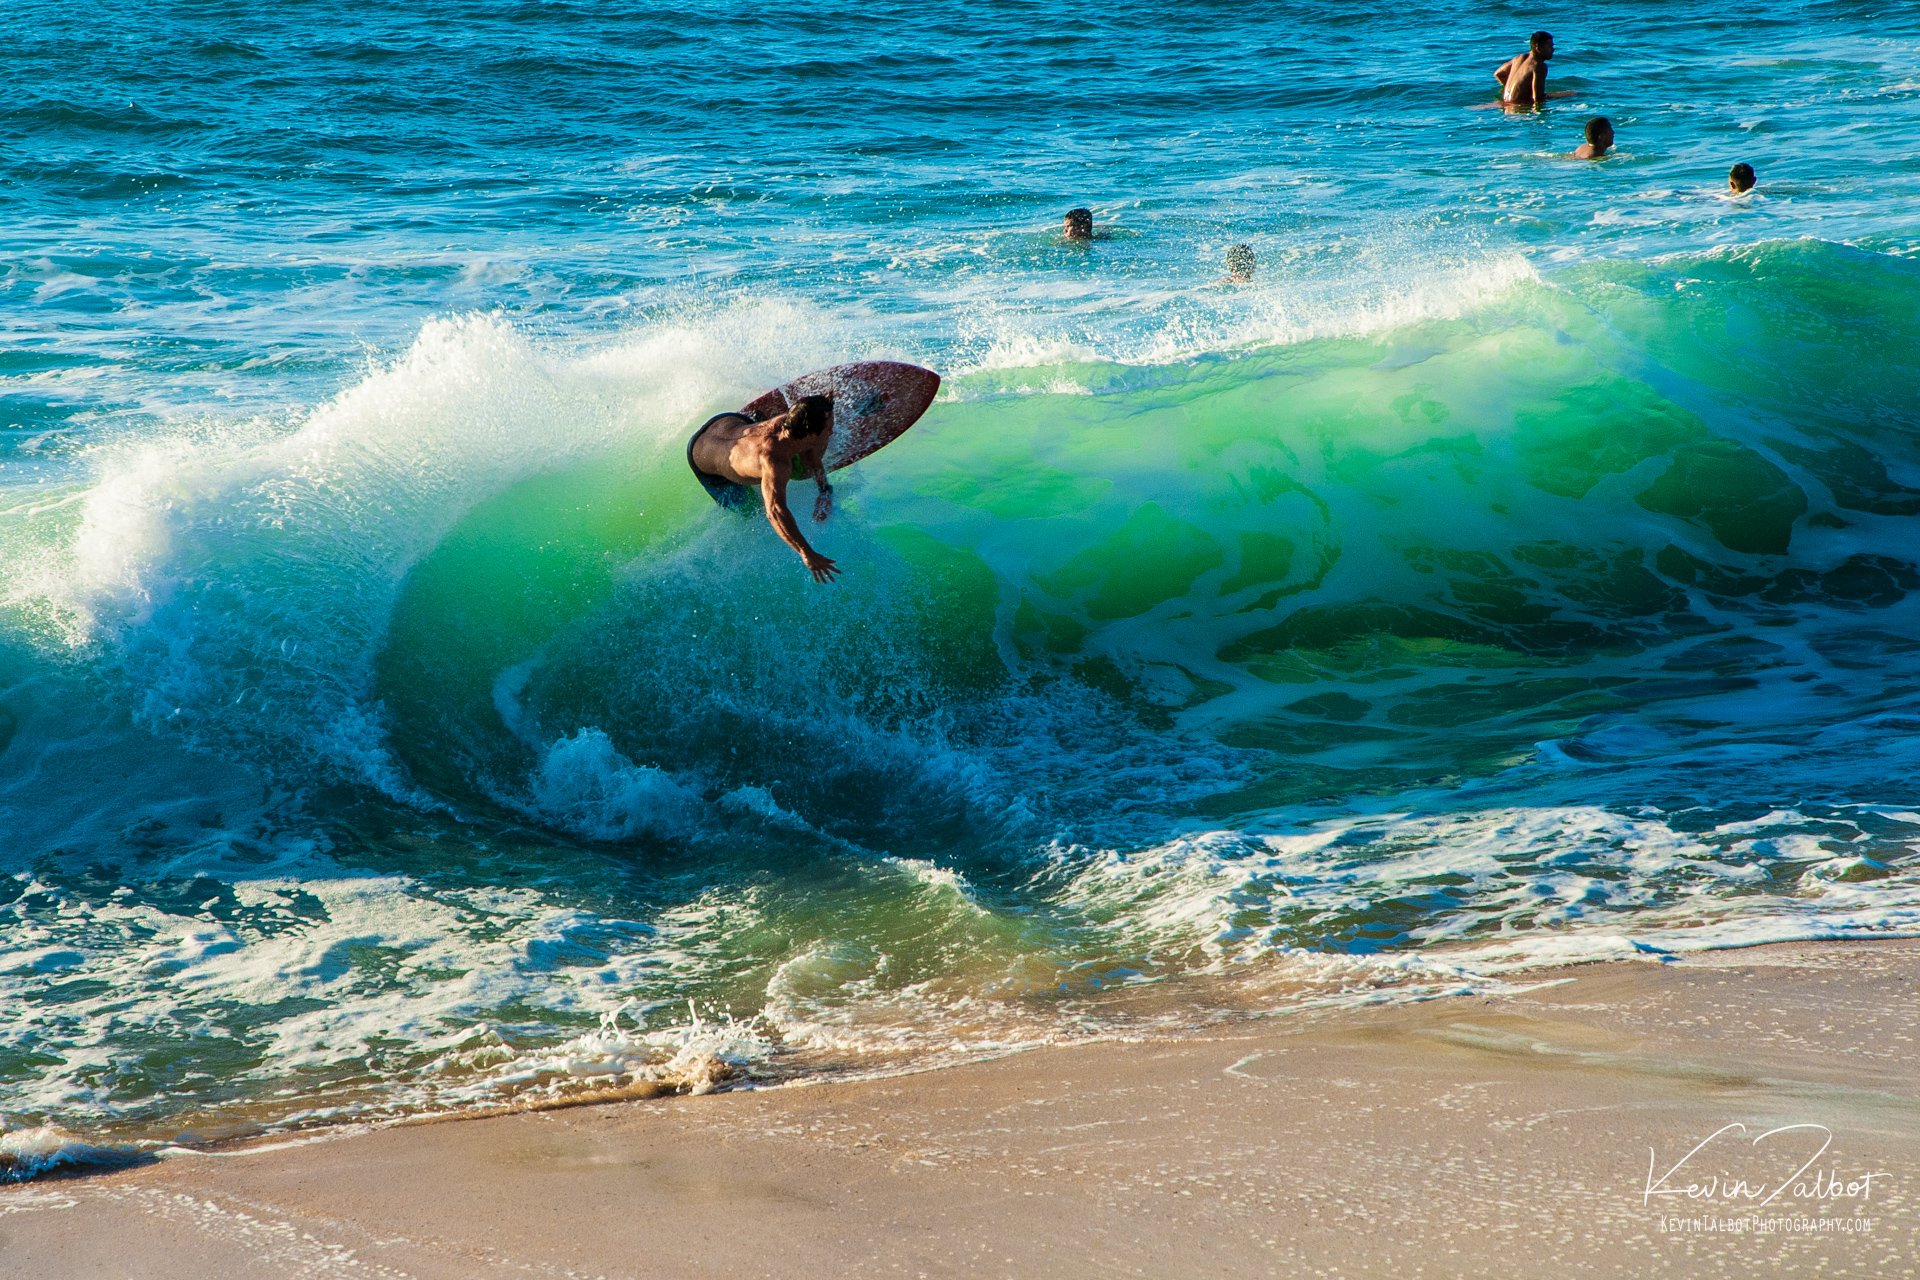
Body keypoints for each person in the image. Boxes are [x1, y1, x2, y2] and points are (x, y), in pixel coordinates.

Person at [687, 394, 840, 583]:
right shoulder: (776, 463)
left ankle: (756, 418)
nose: (832, 433)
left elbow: (810, 449)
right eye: (828, 429)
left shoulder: (787, 422)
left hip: (726, 422)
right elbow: (775, 512)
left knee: (798, 452)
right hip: (704, 463)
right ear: (811, 434)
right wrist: (806, 552)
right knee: (751, 512)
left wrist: (824, 490)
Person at [1495, 31, 1554, 106]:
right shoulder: (1539, 66)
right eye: (1550, 46)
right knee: (1571, 94)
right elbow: (1538, 99)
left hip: (1505, 103)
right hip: (1518, 110)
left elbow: (1498, 74)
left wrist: (1514, 89)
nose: (1553, 49)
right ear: (1538, 48)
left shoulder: (1518, 58)